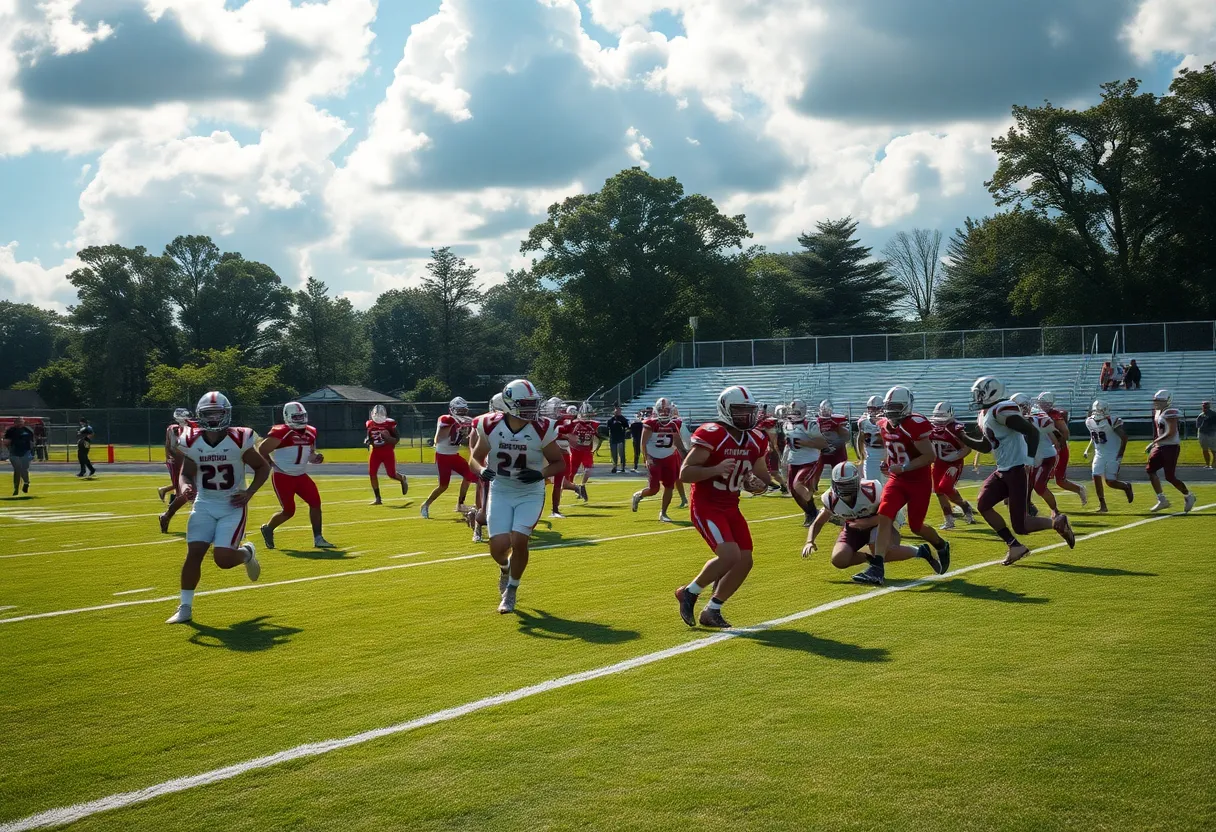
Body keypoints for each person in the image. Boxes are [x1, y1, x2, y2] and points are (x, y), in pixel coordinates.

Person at [165, 392, 269, 624]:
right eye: (208, 414)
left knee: (222, 559)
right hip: (204, 503)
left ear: (226, 413)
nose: (213, 418)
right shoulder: (192, 440)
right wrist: (184, 488)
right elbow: (186, 474)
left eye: (217, 413)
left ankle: (247, 553)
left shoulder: (239, 438)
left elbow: (262, 467)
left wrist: (249, 492)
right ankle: (185, 607)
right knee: (194, 554)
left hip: (232, 504)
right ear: (200, 416)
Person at [674, 385, 773, 628]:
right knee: (729, 555)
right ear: (726, 409)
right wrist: (715, 469)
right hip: (707, 504)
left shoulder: (757, 438)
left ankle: (712, 610)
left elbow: (763, 478)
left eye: (749, 410)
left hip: (731, 505)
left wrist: (756, 485)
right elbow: (685, 473)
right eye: (740, 410)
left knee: (744, 560)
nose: (746, 416)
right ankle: (689, 592)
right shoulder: (712, 433)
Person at [470, 379, 566, 614]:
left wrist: (540, 474)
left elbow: (559, 463)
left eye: (534, 404)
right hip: (501, 490)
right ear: (510, 403)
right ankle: (505, 569)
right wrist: (482, 470)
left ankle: (511, 590)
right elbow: (474, 458)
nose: (532, 410)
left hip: (529, 492)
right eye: (526, 404)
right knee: (498, 548)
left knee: (519, 539)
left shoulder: (542, 428)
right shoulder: (490, 425)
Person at [957, 376, 1075, 566]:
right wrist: (962, 437)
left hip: (1016, 469)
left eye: (980, 394)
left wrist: (1028, 460)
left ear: (991, 393)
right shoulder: (986, 413)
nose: (976, 398)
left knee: (1021, 525)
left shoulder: (1001, 409)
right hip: (1003, 469)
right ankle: (1014, 546)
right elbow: (987, 446)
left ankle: (1057, 522)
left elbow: (1032, 432)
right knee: (983, 504)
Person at [857, 386, 952, 586]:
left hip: (918, 482)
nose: (891, 411)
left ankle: (941, 545)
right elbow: (893, 450)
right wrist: (888, 463)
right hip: (897, 480)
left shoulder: (915, 424)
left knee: (916, 526)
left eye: (896, 406)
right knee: (884, 515)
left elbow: (929, 456)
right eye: (889, 406)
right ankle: (877, 567)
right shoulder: (883, 424)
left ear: (907, 407)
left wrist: (905, 466)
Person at [803, 461, 942, 576]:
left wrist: (868, 522)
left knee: (881, 552)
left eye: (848, 485)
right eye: (841, 485)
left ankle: (920, 552)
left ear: (857, 481)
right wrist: (810, 541)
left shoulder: (872, 490)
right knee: (839, 560)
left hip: (880, 523)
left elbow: (891, 513)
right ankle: (869, 558)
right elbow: (819, 521)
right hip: (854, 528)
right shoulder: (830, 498)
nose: (844, 489)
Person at [258, 401, 334, 550]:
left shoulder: (310, 432)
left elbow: (310, 454)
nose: (300, 420)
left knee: (315, 503)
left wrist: (316, 458)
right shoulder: (282, 431)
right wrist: (271, 463)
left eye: (302, 416)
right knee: (288, 511)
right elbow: (262, 449)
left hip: (301, 476)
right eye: (296, 417)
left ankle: (318, 538)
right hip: (283, 476)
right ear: (288, 417)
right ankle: (268, 528)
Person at [631, 397, 686, 522]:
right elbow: (643, 443)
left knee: (669, 486)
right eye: (661, 410)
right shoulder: (651, 423)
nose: (664, 413)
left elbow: (678, 442)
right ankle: (638, 495)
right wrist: (646, 458)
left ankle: (663, 513)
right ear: (656, 410)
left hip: (669, 457)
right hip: (654, 457)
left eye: (666, 410)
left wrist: (685, 454)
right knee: (654, 489)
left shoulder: (675, 423)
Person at [421, 397, 475, 519]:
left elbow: (463, 441)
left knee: (469, 476)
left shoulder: (464, 421)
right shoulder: (446, 419)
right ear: (452, 410)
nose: (461, 413)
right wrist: (455, 426)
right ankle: (425, 504)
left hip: (454, 455)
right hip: (443, 456)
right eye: (459, 410)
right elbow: (439, 438)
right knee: (443, 486)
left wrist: (465, 432)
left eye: (463, 410)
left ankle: (460, 504)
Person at [1145, 390, 1196, 514]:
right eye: (1156, 400)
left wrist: (1153, 442)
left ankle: (1189, 496)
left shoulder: (1170, 412)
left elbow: (1171, 432)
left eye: (1160, 401)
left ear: (1168, 400)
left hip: (1171, 447)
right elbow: (1157, 431)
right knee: (1150, 470)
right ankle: (1162, 499)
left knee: (1170, 477)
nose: (1156, 403)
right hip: (1160, 446)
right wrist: (1155, 443)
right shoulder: (1157, 412)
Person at [1035, 391, 1087, 505]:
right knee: (1041, 478)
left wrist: (1057, 443)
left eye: (1044, 403)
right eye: (1041, 402)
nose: (1042, 405)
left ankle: (1079, 489)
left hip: (1057, 450)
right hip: (1045, 449)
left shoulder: (1055, 415)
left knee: (1059, 481)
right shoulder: (1037, 414)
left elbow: (1065, 433)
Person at [928, 402, 975, 529]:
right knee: (938, 492)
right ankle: (949, 521)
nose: (939, 421)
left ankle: (965, 506)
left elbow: (967, 449)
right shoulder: (930, 427)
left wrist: (954, 458)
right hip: (938, 462)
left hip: (954, 463)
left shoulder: (956, 428)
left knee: (945, 487)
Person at [1015, 393, 1061, 518]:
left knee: (1039, 486)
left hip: (1046, 457)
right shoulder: (1012, 422)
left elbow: (1055, 433)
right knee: (1026, 486)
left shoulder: (1038, 418)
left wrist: (1057, 444)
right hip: (1031, 459)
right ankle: (1028, 510)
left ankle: (1055, 511)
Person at [1083, 399, 1134, 512]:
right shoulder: (1089, 421)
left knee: (1110, 482)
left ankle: (1126, 486)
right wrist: (1088, 450)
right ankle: (1103, 505)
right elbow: (1093, 437)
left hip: (1113, 453)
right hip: (1099, 453)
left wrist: (1120, 453)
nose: (1097, 412)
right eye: (1096, 410)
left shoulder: (1112, 420)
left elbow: (1124, 437)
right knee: (1095, 475)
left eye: (1100, 410)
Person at [782, 399, 827, 526]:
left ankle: (816, 511)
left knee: (798, 485)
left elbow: (823, 444)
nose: (793, 414)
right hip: (793, 461)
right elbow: (789, 443)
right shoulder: (786, 425)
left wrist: (807, 443)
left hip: (809, 461)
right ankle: (811, 513)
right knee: (793, 490)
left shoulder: (810, 425)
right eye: (791, 411)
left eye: (795, 412)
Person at [365, 405, 408, 505]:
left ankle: (402, 478)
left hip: (387, 451)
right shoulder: (369, 424)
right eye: (376, 414)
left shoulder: (389, 424)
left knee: (391, 474)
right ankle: (378, 498)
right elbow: (368, 436)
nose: (378, 417)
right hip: (375, 452)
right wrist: (368, 440)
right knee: (372, 474)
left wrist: (388, 438)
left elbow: (397, 439)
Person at [810, 400, 850, 492]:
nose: (825, 412)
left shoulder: (836, 420)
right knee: (816, 467)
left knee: (838, 469)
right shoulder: (817, 421)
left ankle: (837, 487)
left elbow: (846, 436)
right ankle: (813, 486)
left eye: (827, 410)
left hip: (837, 448)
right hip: (823, 448)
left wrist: (838, 428)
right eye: (823, 409)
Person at [158, 408, 193, 502]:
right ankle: (172, 503)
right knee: (178, 484)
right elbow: (171, 445)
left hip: (179, 459)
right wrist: (168, 457)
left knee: (182, 482)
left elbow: (168, 444)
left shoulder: (174, 428)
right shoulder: (174, 429)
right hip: (175, 460)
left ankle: (165, 491)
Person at [568, 403, 600, 502]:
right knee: (571, 473)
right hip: (576, 450)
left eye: (589, 415)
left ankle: (582, 486)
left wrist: (594, 448)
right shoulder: (574, 423)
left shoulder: (594, 424)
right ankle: (576, 488)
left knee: (588, 470)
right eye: (586, 414)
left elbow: (596, 438)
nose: (588, 417)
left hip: (586, 451)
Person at [854, 395, 886, 482]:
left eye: (875, 408)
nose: (872, 411)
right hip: (870, 459)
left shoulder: (887, 422)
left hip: (885, 458)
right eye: (870, 408)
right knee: (872, 485)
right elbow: (860, 439)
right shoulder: (863, 422)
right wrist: (860, 456)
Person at [3, 416, 35, 496]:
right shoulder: (11, 431)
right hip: (14, 453)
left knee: (24, 469)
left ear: (23, 422)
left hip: (26, 452)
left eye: (21, 421)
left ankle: (26, 482)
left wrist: (32, 450)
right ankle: (16, 488)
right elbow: (6, 441)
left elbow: (32, 441)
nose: (20, 423)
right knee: (17, 470)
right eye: (18, 421)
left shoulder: (28, 430)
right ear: (15, 423)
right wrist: (9, 447)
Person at [606, 405, 630, 473]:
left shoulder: (623, 419)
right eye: (616, 410)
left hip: (620, 438)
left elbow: (627, 428)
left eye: (618, 410)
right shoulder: (611, 420)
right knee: (613, 453)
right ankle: (614, 466)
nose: (617, 411)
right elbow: (608, 427)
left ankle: (622, 466)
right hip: (613, 438)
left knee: (621, 453)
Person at [1198, 401, 1215, 469]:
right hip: (1202, 434)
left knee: (1213, 450)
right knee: (1205, 450)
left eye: (1206, 406)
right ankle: (1207, 464)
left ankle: (1214, 465)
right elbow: (1198, 425)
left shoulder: (1214, 414)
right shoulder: (1201, 415)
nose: (1205, 408)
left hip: (1212, 434)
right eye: (1204, 406)